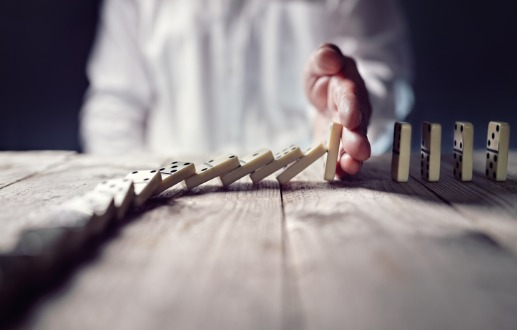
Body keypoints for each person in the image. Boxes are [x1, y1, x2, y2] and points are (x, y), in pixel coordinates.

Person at [80, 0, 413, 177]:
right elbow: (114, 107)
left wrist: (354, 113)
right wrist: (138, 193)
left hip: (310, 200)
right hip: (167, 205)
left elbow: (386, 72)